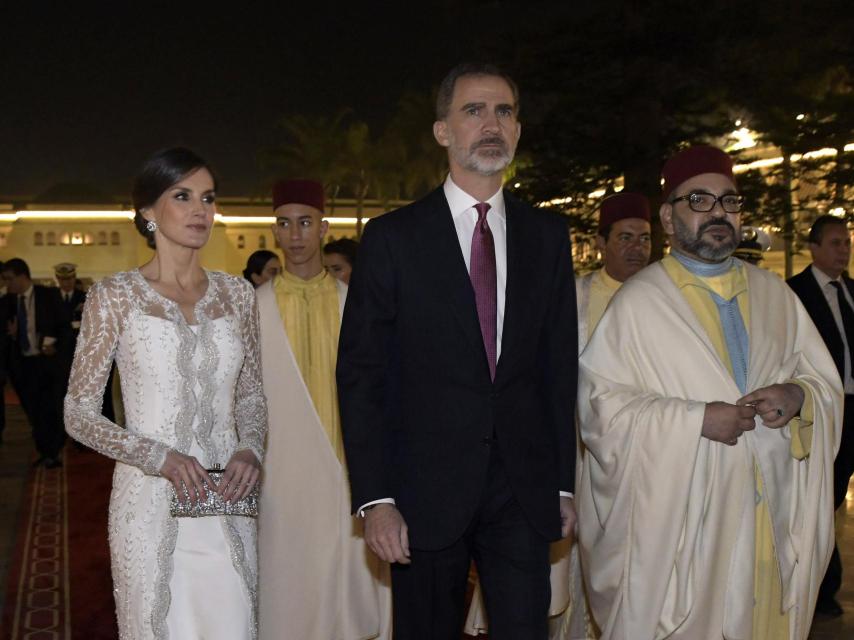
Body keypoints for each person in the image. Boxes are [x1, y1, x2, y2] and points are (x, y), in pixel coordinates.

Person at [337, 63, 578, 640]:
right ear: (443, 130)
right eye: (474, 110)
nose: (491, 124)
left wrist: (562, 484)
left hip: (521, 490)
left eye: (504, 111)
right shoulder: (393, 238)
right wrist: (376, 498)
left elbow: (557, 369)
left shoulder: (547, 236)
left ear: (518, 131)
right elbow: (360, 375)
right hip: (422, 491)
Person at [576, 145, 841, 640]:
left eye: (729, 201)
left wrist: (799, 396)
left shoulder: (775, 296)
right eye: (699, 200)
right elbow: (600, 411)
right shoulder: (640, 305)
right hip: (685, 539)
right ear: (669, 219)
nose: (718, 212)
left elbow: (823, 384)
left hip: (769, 524)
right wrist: (695, 420)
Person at [64, 147, 267, 639]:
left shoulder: (236, 294)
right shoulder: (114, 296)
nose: (200, 210)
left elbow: (252, 396)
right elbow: (78, 412)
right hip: (149, 499)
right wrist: (160, 458)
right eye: (183, 196)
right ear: (148, 213)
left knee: (233, 623)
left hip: (227, 498)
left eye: (208, 197)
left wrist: (251, 448)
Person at [256, 178, 390, 640]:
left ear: (323, 228)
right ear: (275, 231)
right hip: (282, 470)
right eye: (285, 224)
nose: (295, 235)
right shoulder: (254, 309)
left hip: (350, 466)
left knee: (350, 584)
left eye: (305, 223)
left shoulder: (358, 304)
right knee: (288, 582)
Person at [787, 214, 854, 617]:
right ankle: (821, 587)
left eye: (846, 243)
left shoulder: (852, 291)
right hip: (826, 407)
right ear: (813, 248)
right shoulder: (794, 293)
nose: (843, 250)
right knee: (823, 497)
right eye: (835, 243)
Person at [1, 258, 67, 467]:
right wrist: (11, 334)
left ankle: (53, 451)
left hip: (46, 361)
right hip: (22, 364)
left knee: (51, 407)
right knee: (33, 409)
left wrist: (55, 345)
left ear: (22, 276)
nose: (6, 284)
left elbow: (65, 328)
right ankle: (44, 449)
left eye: (9, 279)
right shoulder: (7, 302)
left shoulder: (49, 296)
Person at [576, 192, 651, 345]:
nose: (637, 247)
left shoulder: (664, 294)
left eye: (645, 238)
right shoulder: (576, 295)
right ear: (602, 243)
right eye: (625, 238)